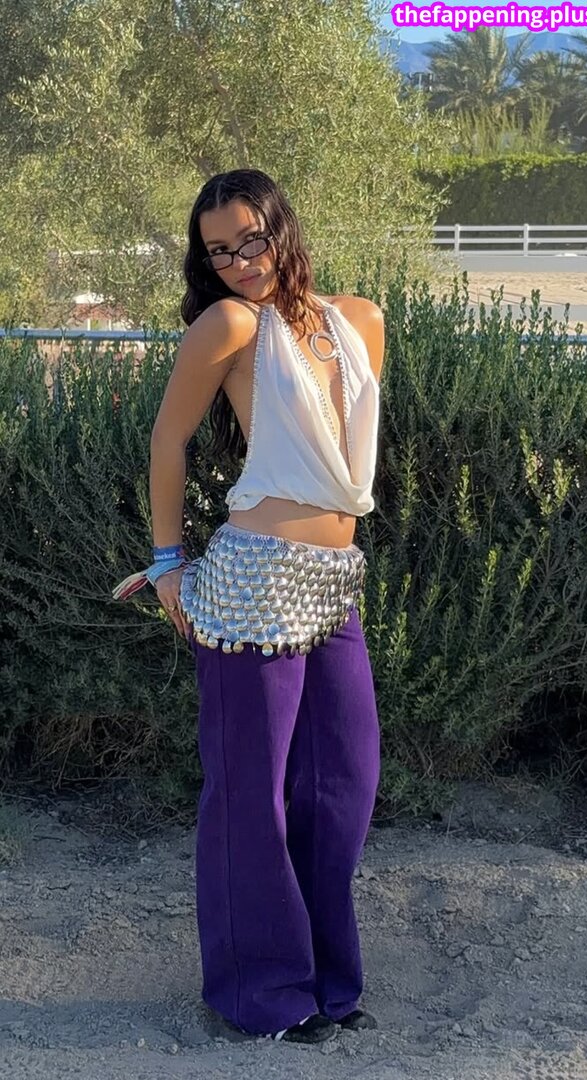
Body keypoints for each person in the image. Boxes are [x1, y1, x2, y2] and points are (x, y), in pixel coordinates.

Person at [112, 168, 384, 1044]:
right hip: (252, 584)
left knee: (342, 783)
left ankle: (328, 979)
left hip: (333, 581)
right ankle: (261, 993)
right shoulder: (229, 325)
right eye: (219, 251)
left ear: (281, 228)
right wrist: (166, 563)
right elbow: (168, 438)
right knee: (250, 796)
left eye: (251, 240)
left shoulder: (360, 320)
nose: (238, 262)